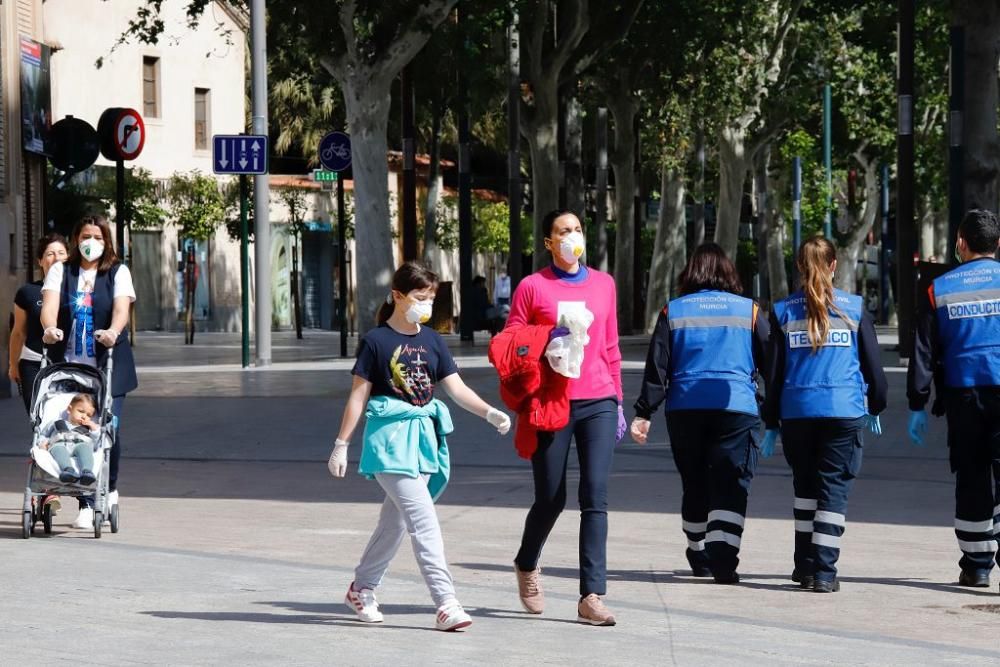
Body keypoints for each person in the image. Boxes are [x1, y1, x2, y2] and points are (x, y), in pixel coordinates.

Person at [328, 261, 511, 632]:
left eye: (430, 297)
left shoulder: (432, 340)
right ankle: (446, 603)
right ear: (398, 296)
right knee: (423, 521)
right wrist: (341, 443)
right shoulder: (376, 342)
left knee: (393, 523)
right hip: (389, 444)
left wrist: (490, 413)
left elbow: (456, 388)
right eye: (419, 297)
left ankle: (361, 588)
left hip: (423, 442)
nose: (426, 305)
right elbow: (358, 397)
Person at [505, 209, 624, 626]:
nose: (572, 237)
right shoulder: (532, 287)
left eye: (576, 230)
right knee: (551, 498)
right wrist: (544, 337)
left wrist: (619, 402)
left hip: (599, 401)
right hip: (551, 401)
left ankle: (591, 595)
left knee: (595, 496)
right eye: (562, 232)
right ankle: (526, 562)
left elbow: (610, 347)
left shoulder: (604, 284)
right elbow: (510, 343)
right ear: (548, 243)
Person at [631, 243, 769, 584]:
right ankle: (724, 561)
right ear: (728, 271)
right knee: (731, 483)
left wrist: (644, 412)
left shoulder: (673, 312)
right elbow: (771, 357)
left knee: (695, 483)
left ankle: (697, 549)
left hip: (685, 409)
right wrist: (770, 401)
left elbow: (658, 366)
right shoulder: (748, 310)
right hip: (735, 407)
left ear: (691, 271)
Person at [763, 236, 887, 593]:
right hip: (843, 412)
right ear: (834, 265)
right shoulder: (854, 308)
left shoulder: (784, 310)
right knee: (832, 491)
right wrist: (875, 405)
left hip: (798, 412)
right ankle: (824, 573)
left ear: (800, 267)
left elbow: (773, 374)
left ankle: (804, 566)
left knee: (804, 488)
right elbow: (874, 368)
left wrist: (770, 421)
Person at [907, 209, 1000, 591]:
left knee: (973, 475)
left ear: (960, 243)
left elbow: (923, 351)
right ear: (997, 245)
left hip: (964, 395)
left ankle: (977, 565)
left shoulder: (938, 289)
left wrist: (917, 402)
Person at [40, 215, 137, 530]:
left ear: (106, 240)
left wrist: (113, 331)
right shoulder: (61, 271)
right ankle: (86, 501)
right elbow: (50, 307)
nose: (90, 242)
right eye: (85, 235)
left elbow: (122, 309)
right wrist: (50, 328)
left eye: (97, 236)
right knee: (76, 430)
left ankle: (109, 487)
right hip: (69, 368)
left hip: (108, 365)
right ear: (76, 238)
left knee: (109, 429)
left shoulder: (117, 273)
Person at [9, 233, 69, 412]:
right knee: (39, 420)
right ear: (40, 261)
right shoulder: (27, 292)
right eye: (50, 254)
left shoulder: (77, 290)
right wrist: (13, 365)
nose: (56, 258)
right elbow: (19, 332)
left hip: (69, 363)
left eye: (61, 253)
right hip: (34, 363)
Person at [40, 393, 99, 486]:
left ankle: (87, 472)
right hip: (59, 443)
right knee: (58, 449)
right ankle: (68, 470)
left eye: (89, 415)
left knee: (85, 448)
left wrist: (94, 428)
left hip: (79, 444)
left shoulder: (88, 428)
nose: (84, 416)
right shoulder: (57, 423)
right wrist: (42, 443)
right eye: (81, 411)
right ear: (69, 409)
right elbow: (43, 435)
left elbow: (97, 443)